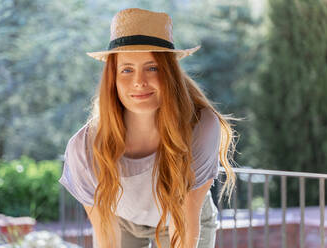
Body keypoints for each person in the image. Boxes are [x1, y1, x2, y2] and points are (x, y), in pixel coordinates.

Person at [58, 7, 239, 248]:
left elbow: (184, 219)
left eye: (152, 68)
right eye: (127, 69)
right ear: (112, 78)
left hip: (183, 217)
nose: (139, 81)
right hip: (122, 220)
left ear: (170, 74)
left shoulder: (200, 127)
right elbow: (105, 233)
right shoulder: (85, 148)